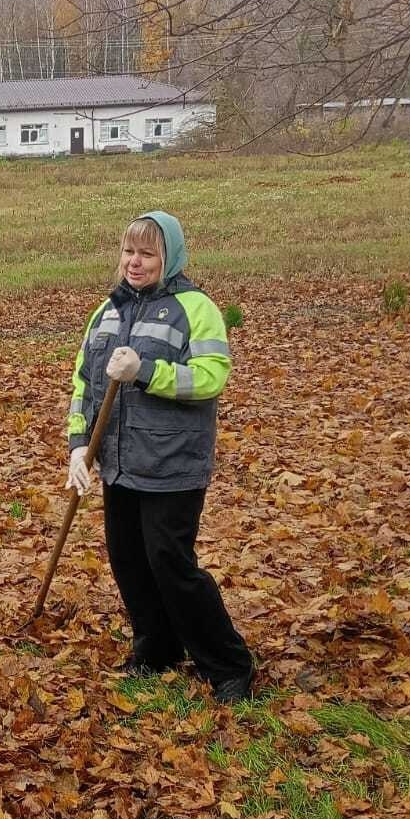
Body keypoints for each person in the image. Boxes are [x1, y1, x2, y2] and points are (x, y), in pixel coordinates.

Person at [66, 211, 254, 704]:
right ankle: (157, 649)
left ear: (169, 257)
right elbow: (83, 385)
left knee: (170, 562)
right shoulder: (106, 312)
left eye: (147, 253)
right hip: (121, 463)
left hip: (173, 463)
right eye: (129, 251)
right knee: (128, 561)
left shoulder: (196, 308)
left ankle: (229, 665)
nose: (135, 262)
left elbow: (212, 376)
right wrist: (79, 445)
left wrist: (146, 370)